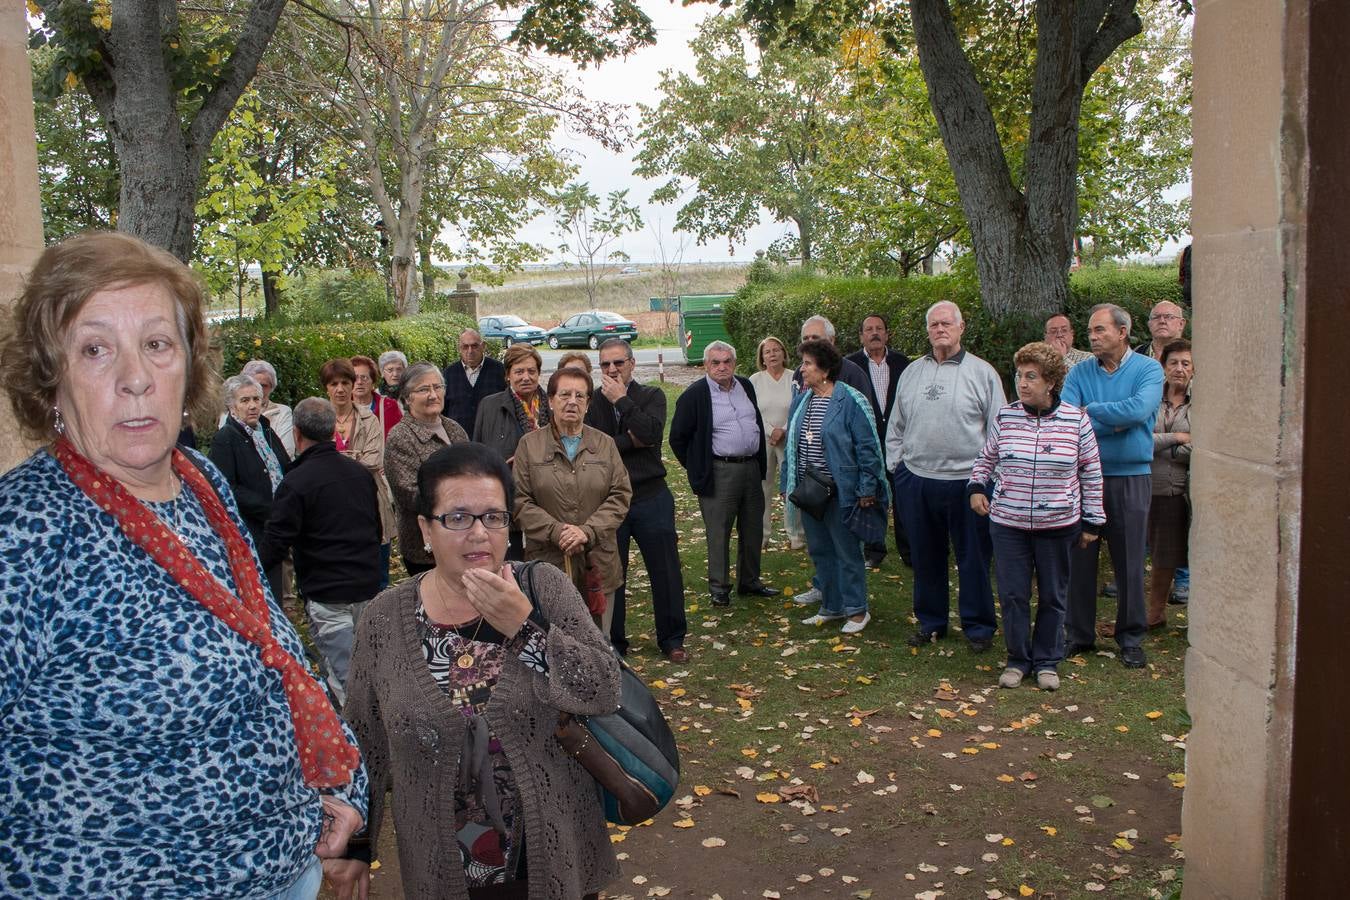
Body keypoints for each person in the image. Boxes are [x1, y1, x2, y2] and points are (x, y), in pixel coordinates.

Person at [0, 232, 365, 896]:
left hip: (287, 870)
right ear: (50, 378)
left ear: (187, 363)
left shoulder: (197, 478)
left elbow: (267, 642)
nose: (135, 377)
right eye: (95, 348)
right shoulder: (25, 529)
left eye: (157, 344)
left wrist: (339, 782)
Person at [329, 443, 621, 899]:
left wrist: (524, 629)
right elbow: (364, 739)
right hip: (442, 864)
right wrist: (358, 846)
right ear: (425, 528)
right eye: (458, 517)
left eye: (493, 516)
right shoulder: (386, 618)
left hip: (553, 850)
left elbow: (603, 689)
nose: (479, 533)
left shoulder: (543, 588)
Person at [968, 342, 1105, 692]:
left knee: (1053, 595)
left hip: (1058, 526)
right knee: (1013, 594)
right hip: (1008, 524)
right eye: (1019, 375)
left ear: (1051, 382)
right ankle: (1017, 659)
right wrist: (977, 488)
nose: (1022, 383)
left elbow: (1091, 473)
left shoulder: (1076, 420)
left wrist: (1092, 521)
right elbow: (986, 459)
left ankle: (1047, 660)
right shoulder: (1006, 416)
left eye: (1032, 377)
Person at [885, 300, 1005, 651]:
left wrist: (987, 480)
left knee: (974, 559)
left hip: (968, 482)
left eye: (946, 324)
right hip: (918, 479)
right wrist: (898, 468)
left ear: (961, 327)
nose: (940, 330)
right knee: (925, 557)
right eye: (934, 325)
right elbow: (896, 425)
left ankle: (979, 627)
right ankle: (931, 622)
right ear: (928, 331)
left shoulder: (982, 373)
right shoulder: (912, 372)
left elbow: (999, 429)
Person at [259, 398, 383, 706]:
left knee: (344, 677)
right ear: (332, 431)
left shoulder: (297, 482)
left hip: (328, 594)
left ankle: (359, 742)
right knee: (370, 667)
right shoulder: (358, 474)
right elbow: (375, 527)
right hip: (365, 584)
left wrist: (249, 573)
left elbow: (276, 540)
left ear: (297, 434)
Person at [1062, 303, 1165, 669]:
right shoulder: (1077, 374)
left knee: (1130, 561)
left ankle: (1131, 637)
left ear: (1123, 332)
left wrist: (1093, 411)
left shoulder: (1149, 369)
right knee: (1079, 558)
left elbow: (1139, 410)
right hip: (1084, 476)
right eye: (1090, 330)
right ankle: (1078, 634)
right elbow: (1069, 419)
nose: (1092, 336)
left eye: (1100, 330)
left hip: (1130, 477)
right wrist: (1113, 418)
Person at [587, 338, 690, 661]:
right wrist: (629, 440)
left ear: (632, 363)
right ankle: (614, 643)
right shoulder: (592, 403)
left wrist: (622, 402)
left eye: (618, 362)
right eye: (605, 364)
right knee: (611, 574)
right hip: (609, 502)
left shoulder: (651, 396)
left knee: (666, 571)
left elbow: (650, 434)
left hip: (651, 496)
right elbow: (593, 448)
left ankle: (672, 640)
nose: (612, 369)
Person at [513, 367, 633, 633]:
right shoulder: (529, 445)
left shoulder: (604, 444)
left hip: (597, 564)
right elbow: (519, 501)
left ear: (588, 404)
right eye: (565, 394)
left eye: (580, 396)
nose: (572, 401)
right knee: (554, 642)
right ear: (551, 400)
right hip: (548, 562)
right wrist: (557, 532)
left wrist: (587, 532)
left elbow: (620, 495)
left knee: (598, 643)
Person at [781, 340, 888, 634]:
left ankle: (856, 610)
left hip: (842, 491)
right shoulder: (804, 400)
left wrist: (867, 488)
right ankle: (831, 606)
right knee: (820, 550)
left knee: (847, 552)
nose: (801, 369)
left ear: (825, 369)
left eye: (807, 364)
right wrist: (786, 483)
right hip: (810, 493)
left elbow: (867, 448)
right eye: (802, 363)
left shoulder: (849, 400)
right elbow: (793, 446)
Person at [670, 340, 779, 607]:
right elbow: (677, 438)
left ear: (735, 363)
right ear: (706, 365)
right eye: (715, 362)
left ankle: (750, 581)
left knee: (753, 527)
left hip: (751, 467)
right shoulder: (695, 394)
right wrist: (699, 467)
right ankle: (719, 587)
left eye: (727, 361)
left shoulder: (745, 386)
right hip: (719, 471)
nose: (722, 367)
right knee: (718, 532)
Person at [209, 372, 292, 600]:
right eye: (245, 401)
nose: (253, 405)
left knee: (276, 589)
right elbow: (226, 487)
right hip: (250, 529)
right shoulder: (226, 438)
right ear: (231, 406)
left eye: (256, 399)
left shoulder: (264, 429)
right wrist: (268, 507)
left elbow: (284, 465)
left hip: (275, 524)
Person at [385, 362, 469, 577]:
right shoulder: (400, 437)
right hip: (425, 548)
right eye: (423, 389)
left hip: (463, 537)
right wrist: (461, 504)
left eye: (437, 387)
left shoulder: (454, 428)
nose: (433, 395)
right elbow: (410, 494)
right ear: (407, 397)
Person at [323, 356, 396, 588]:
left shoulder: (369, 418)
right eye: (334, 384)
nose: (341, 389)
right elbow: (314, 461)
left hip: (370, 500)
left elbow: (374, 459)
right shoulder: (319, 420)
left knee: (378, 573)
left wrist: (335, 461)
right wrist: (354, 457)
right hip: (332, 507)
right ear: (326, 388)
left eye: (346, 382)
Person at [845, 313, 911, 568]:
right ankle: (874, 549)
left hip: (898, 441)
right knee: (870, 496)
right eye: (868, 329)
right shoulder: (850, 365)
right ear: (861, 335)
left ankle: (909, 550)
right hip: (866, 441)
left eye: (879, 329)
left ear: (887, 334)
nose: (874, 333)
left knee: (902, 497)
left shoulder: (903, 364)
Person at [474, 343, 550, 561]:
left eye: (531, 371)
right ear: (508, 375)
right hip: (506, 503)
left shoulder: (552, 406)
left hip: (547, 505)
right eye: (519, 371)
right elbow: (479, 454)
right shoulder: (489, 406)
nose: (526, 377)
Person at [1148, 338, 1194, 628]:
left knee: (1166, 555)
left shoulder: (1200, 401)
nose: (1179, 369)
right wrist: (1177, 439)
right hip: (1143, 483)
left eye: (1185, 363)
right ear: (1163, 366)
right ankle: (1141, 610)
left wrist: (1170, 449)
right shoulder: (1151, 397)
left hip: (1175, 490)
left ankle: (1155, 612)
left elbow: (1200, 446)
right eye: (1173, 362)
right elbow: (1138, 439)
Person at [749, 336, 796, 549]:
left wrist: (784, 429)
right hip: (764, 439)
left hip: (789, 438)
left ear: (783, 353)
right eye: (767, 351)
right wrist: (770, 431)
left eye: (776, 350)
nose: (773, 354)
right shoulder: (755, 380)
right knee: (762, 488)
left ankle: (796, 534)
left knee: (792, 486)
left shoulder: (794, 377)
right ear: (762, 358)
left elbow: (800, 406)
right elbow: (752, 411)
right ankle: (762, 535)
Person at [444, 328, 506, 434]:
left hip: (492, 437)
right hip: (459, 440)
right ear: (459, 348)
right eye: (465, 347)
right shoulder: (448, 374)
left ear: (483, 346)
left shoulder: (499, 370)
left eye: (474, 346)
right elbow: (443, 410)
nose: (470, 351)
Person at [351, 353, 403, 439]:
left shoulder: (389, 406)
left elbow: (401, 439)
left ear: (373, 382)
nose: (359, 382)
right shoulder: (341, 408)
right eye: (355, 378)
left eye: (364, 377)